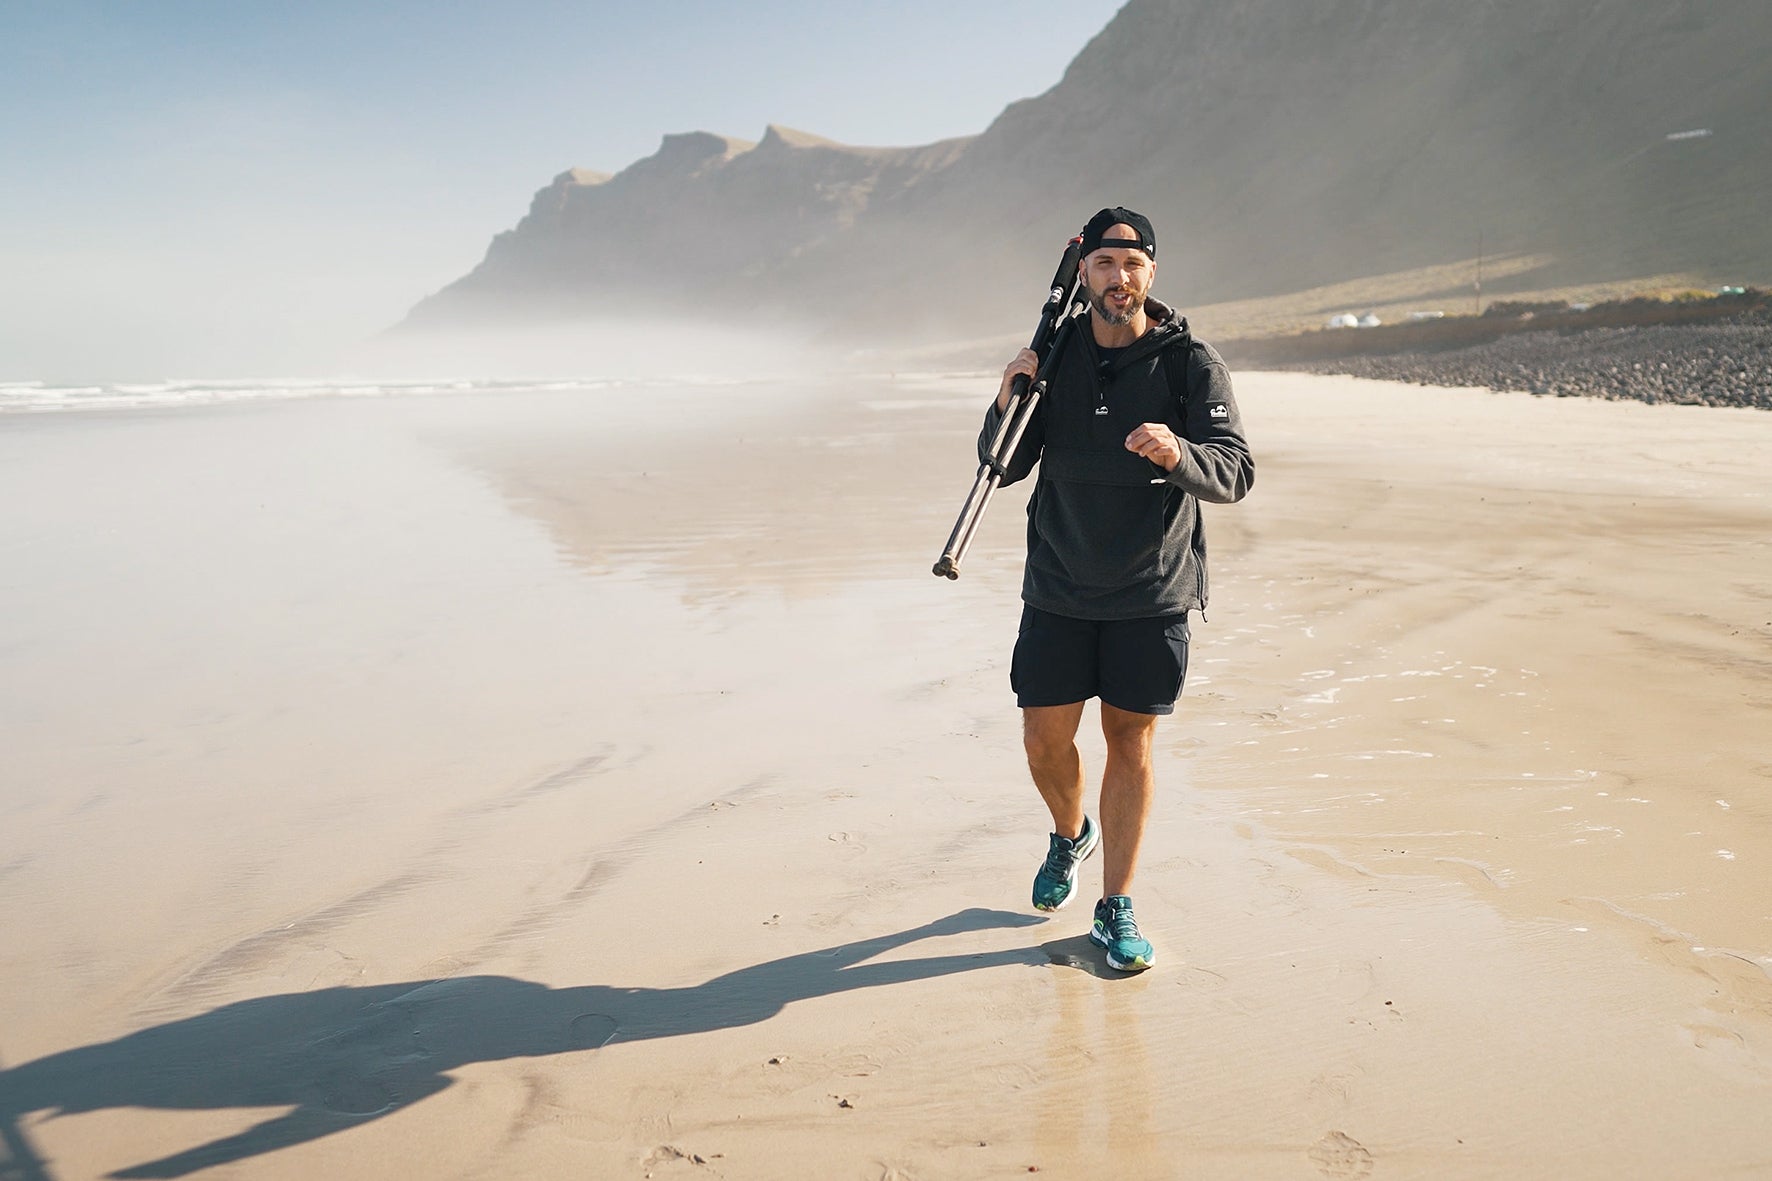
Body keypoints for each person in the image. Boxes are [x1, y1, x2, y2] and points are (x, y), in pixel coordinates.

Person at [980, 206, 1253, 972]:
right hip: (1060, 585)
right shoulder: (1054, 356)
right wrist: (1008, 396)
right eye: (1104, 264)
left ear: (1151, 275)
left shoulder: (1189, 361)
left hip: (1151, 590)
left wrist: (1180, 453)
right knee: (1044, 741)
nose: (1118, 278)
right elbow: (1000, 466)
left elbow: (1235, 471)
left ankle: (1115, 906)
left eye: (1132, 265)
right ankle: (1070, 833)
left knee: (1129, 743)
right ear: (1088, 274)